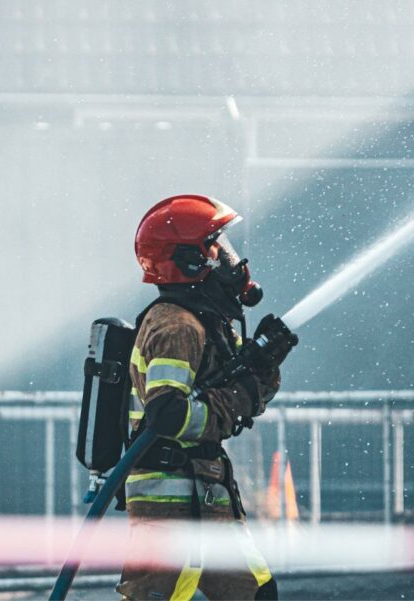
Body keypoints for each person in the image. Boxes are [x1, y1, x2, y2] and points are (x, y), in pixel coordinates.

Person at [116, 194, 296, 601]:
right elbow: (169, 415)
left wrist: (264, 365)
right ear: (189, 261)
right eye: (215, 246)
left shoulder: (206, 323)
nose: (228, 259)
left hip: (207, 495)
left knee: (256, 594)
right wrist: (240, 392)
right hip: (170, 506)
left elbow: (246, 396)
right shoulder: (175, 326)